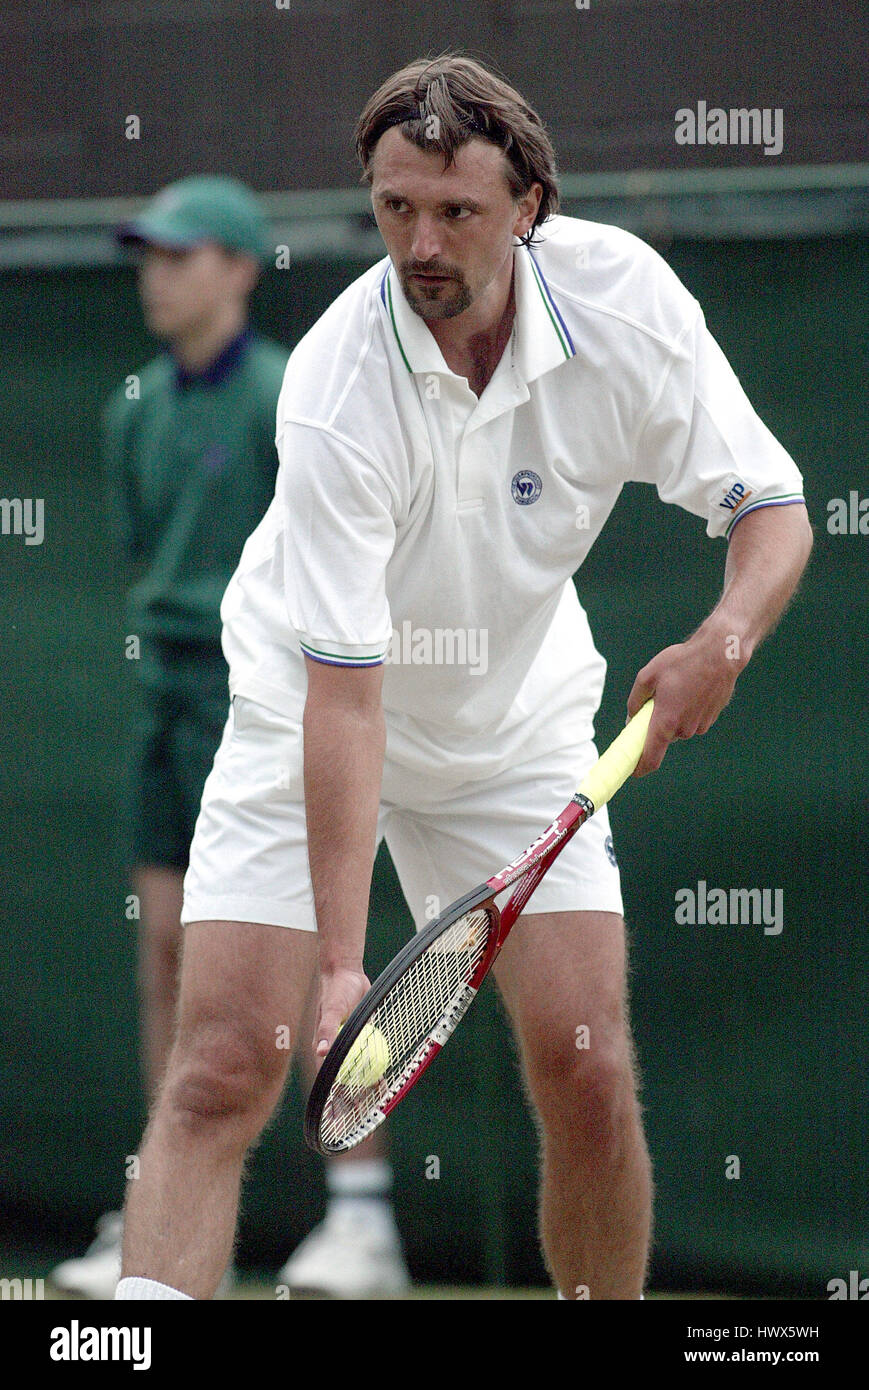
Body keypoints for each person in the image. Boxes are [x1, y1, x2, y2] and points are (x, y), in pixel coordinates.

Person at [114, 56, 812, 1302]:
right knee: (223, 1064)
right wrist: (341, 965)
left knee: (589, 1071)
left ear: (530, 205)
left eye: (455, 212)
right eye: (392, 210)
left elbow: (770, 505)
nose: (418, 243)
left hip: (518, 725)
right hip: (306, 712)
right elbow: (346, 697)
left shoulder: (626, 305)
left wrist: (722, 644)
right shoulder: (334, 389)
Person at [49, 174, 408, 1299]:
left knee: (315, 956)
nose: (157, 274)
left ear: (241, 269)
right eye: (147, 254)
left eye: (181, 253)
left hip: (271, 701)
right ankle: (156, 1208)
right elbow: (141, 555)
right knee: (167, 951)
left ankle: (362, 1219)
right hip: (169, 702)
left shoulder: (279, 399)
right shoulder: (133, 408)